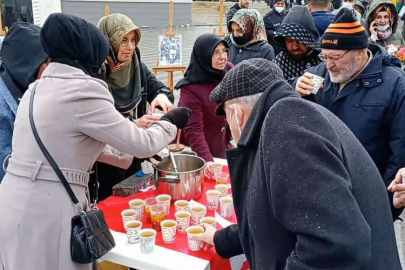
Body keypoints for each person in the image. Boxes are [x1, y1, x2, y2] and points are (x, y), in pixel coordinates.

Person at [0, 13, 191, 270]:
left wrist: (127, 142)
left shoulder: (35, 88)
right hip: (49, 212)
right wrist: (170, 122)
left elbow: (85, 142)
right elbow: (142, 144)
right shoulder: (84, 89)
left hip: (12, 205)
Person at [192, 58, 401, 269]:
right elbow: (275, 218)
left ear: (236, 113)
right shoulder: (292, 117)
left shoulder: (287, 123)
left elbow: (333, 246)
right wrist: (222, 240)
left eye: (227, 119)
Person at [292, 8, 405, 220]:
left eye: (335, 57)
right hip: (321, 192)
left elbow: (400, 155)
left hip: (367, 200)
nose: (328, 65)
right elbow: (284, 95)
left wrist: (383, 210)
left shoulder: (395, 85)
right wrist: (294, 86)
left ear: (360, 52)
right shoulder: (322, 74)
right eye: (324, 57)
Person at [95, 13, 176, 200]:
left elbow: (160, 88)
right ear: (108, 41)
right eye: (123, 40)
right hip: (107, 164)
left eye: (133, 40)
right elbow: (100, 124)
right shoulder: (95, 74)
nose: (130, 47)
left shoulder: (136, 65)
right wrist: (133, 124)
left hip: (137, 157)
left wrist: (162, 96)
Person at [0, 22, 48, 183]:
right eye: (47, 63)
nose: (51, 70)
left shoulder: (27, 87)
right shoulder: (3, 102)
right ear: (29, 63)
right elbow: (5, 166)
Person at [176, 34, 232, 163]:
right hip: (197, 151)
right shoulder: (190, 89)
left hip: (221, 143)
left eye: (225, 51)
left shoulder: (228, 71)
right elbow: (194, 130)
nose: (223, 57)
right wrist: (207, 161)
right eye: (216, 53)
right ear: (204, 56)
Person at [273, 6, 322, 79]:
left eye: (300, 41)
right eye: (289, 41)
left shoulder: (324, 59)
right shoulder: (279, 64)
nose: (295, 47)